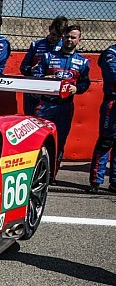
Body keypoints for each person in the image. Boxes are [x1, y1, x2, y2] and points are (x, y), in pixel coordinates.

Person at [33, 25, 90, 170]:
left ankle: (53, 174)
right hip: (46, 104)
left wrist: (77, 88)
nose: (69, 40)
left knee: (60, 139)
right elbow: (35, 76)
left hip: (65, 106)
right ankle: (35, 171)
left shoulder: (83, 62)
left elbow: (85, 83)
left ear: (79, 40)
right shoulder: (48, 56)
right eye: (67, 36)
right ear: (62, 37)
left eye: (73, 37)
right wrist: (44, 79)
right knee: (38, 139)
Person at [20, 16, 67, 116]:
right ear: (49, 29)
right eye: (53, 34)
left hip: (53, 93)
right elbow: (23, 68)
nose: (55, 38)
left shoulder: (64, 48)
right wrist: (31, 69)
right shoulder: (36, 45)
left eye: (59, 36)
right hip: (33, 89)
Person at [89, 43, 116, 193]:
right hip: (112, 103)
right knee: (106, 141)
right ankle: (96, 181)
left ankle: (115, 182)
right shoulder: (111, 53)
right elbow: (113, 75)